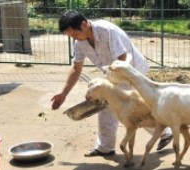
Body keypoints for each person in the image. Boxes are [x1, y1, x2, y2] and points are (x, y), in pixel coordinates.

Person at [51, 10, 173, 157]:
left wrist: (108, 87)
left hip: (132, 70)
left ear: (83, 25)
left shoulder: (107, 31)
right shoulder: (80, 43)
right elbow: (76, 69)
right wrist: (63, 94)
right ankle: (106, 146)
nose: (73, 38)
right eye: (70, 36)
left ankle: (164, 133)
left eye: (74, 34)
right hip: (112, 75)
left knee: (135, 108)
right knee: (108, 107)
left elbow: (122, 59)